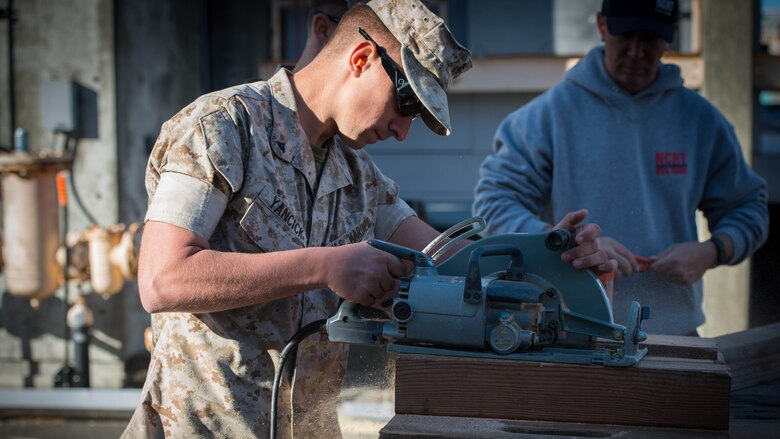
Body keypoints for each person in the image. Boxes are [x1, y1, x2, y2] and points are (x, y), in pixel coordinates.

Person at [122, 0, 612, 437]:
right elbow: (163, 278)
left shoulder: (359, 176)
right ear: (361, 59)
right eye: (406, 105)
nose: (403, 131)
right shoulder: (220, 128)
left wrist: (552, 262)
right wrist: (325, 267)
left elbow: (450, 261)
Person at [473, 0, 769, 336]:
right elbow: (493, 206)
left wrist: (712, 251)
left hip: (674, 335)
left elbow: (748, 208)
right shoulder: (545, 118)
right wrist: (565, 244)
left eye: (650, 38)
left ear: (671, 35)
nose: (635, 52)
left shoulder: (701, 122)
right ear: (602, 26)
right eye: (625, 36)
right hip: (569, 334)